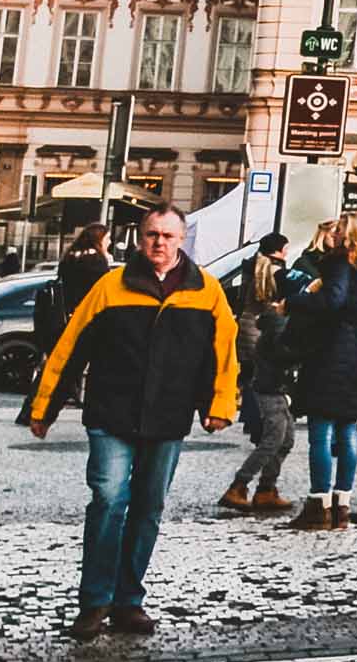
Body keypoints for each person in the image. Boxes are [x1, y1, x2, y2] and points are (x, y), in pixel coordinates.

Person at [26, 204, 237, 639]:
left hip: (167, 417)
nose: (159, 243)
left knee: (148, 508)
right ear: (139, 239)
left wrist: (218, 406)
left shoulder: (207, 291)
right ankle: (95, 601)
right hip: (111, 412)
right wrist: (43, 407)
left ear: (182, 241)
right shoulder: (110, 286)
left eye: (168, 236)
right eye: (152, 235)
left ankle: (128, 601)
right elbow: (70, 346)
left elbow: (222, 355)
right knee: (107, 501)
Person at [282, 217, 357, 531]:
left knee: (321, 430)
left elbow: (333, 299)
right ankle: (342, 505)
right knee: (347, 429)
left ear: (350, 234)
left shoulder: (342, 261)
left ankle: (319, 504)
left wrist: (292, 302)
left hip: (332, 350)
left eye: (340, 229)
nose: (334, 233)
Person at [215, 266, 295, 516]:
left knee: (286, 439)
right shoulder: (278, 323)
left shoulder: (278, 320)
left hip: (276, 387)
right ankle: (239, 485)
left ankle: (266, 488)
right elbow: (285, 353)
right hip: (270, 388)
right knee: (273, 440)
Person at [36, 221, 112, 363]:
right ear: (98, 239)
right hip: (85, 315)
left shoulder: (71, 255)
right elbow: (102, 288)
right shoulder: (96, 260)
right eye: (107, 238)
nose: (110, 242)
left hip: (65, 313)